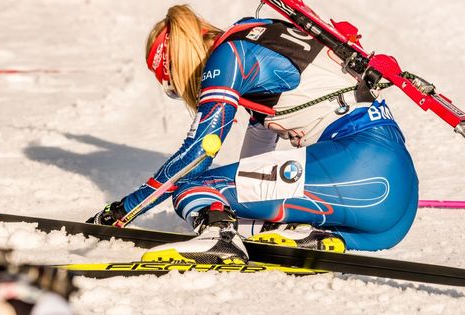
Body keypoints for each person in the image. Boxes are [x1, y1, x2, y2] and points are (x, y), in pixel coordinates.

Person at [87, 5, 418, 264]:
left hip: (357, 167)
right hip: (395, 208)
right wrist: (238, 203)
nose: (185, 92)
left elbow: (199, 152)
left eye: (173, 85)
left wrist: (121, 212)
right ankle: (313, 237)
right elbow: (256, 159)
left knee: (191, 189)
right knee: (242, 208)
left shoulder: (229, 57)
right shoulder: (263, 36)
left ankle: (219, 239)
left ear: (177, 63)